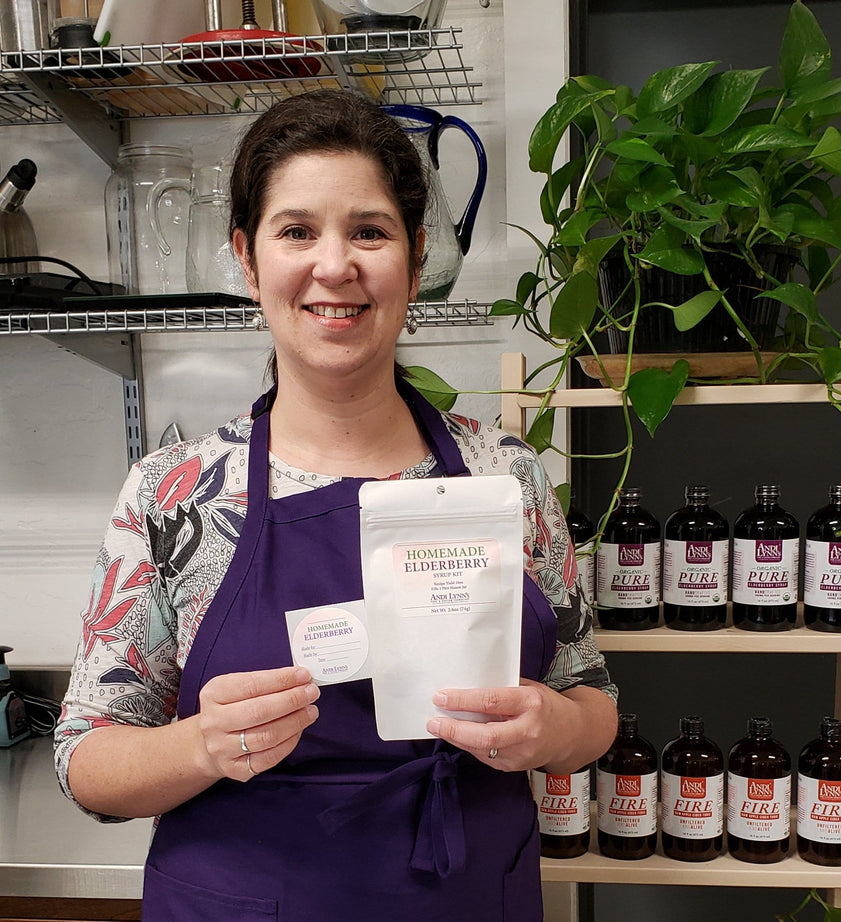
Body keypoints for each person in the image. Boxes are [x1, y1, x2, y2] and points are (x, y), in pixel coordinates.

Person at [54, 88, 618, 921]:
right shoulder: (176, 493)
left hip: (466, 896)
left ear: (416, 257)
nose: (335, 265)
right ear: (247, 259)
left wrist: (553, 732)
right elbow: (86, 761)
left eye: (369, 231)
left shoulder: (504, 474)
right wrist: (201, 744)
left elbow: (592, 699)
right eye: (296, 231)